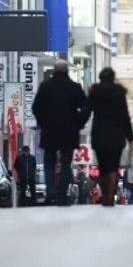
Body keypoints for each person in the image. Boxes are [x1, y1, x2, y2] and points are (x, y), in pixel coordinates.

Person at [32, 60, 87, 206]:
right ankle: (62, 195)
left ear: (54, 71)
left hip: (49, 130)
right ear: (67, 71)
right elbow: (86, 107)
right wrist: (79, 122)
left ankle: (51, 191)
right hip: (69, 131)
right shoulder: (75, 87)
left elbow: (36, 107)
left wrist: (42, 121)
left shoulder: (45, 87)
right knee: (66, 162)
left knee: (49, 162)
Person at [81, 67, 133, 208]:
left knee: (103, 167)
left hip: (100, 134)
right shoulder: (119, 93)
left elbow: (86, 112)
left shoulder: (95, 93)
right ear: (112, 77)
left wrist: (77, 124)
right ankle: (109, 196)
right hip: (117, 135)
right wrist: (130, 136)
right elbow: (124, 116)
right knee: (113, 167)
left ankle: (105, 196)